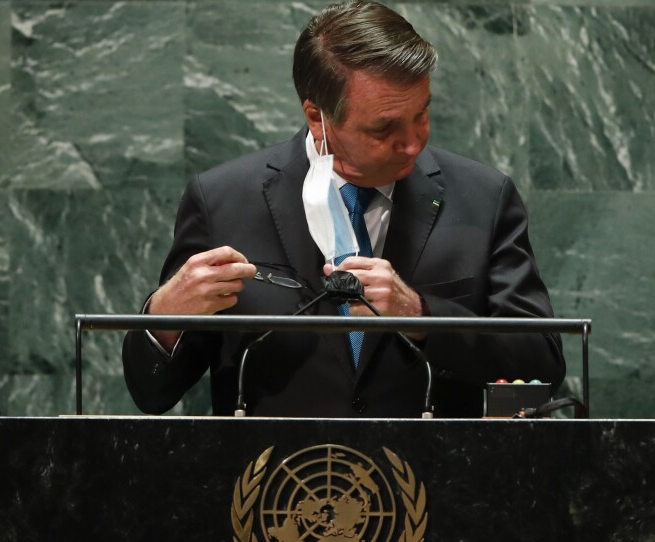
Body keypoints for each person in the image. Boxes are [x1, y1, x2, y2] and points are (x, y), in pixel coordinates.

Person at [122, 0, 564, 418]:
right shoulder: (223, 200)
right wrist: (164, 317)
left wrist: (422, 315)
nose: (413, 142)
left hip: (440, 482)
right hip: (276, 487)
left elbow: (543, 360)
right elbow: (153, 393)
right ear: (317, 116)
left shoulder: (483, 197)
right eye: (384, 127)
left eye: (422, 114)